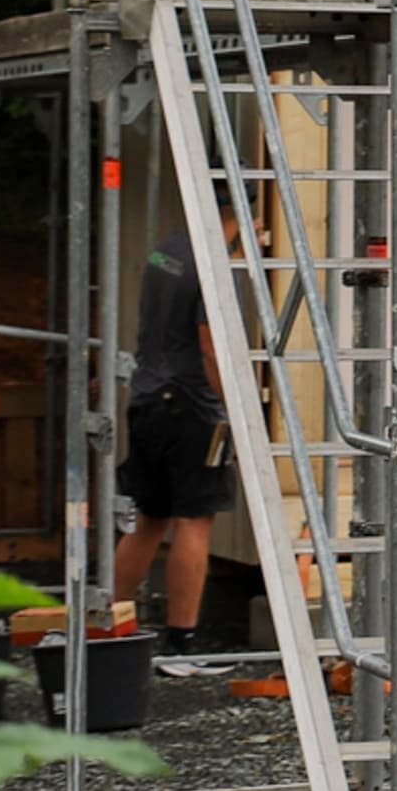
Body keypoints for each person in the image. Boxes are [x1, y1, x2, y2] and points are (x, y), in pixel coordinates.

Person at [114, 227, 238, 674]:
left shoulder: (165, 251)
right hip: (192, 407)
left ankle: (107, 627)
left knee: (149, 518)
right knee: (194, 521)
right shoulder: (214, 260)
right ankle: (181, 646)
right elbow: (209, 347)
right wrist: (235, 408)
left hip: (148, 399)